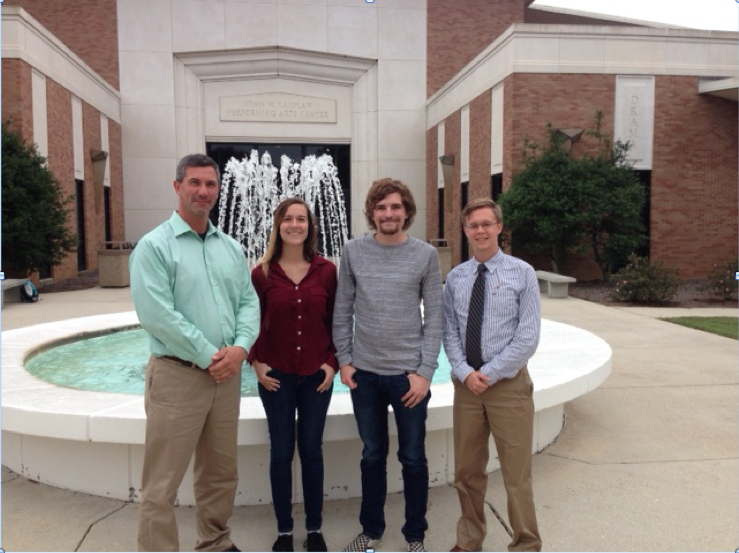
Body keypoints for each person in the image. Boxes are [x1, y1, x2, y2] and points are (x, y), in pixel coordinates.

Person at [130, 153, 260, 552]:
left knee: (220, 473)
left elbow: (248, 302)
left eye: (210, 184)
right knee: (162, 482)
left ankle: (216, 542)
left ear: (218, 191)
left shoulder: (231, 248)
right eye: (194, 183)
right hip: (178, 377)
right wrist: (210, 356)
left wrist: (239, 349)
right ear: (177, 187)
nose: (203, 191)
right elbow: (157, 315)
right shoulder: (154, 247)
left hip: (226, 377)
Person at [332, 178, 444, 553]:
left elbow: (436, 318)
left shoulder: (425, 254)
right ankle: (372, 531)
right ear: (372, 213)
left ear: (407, 211)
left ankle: (415, 536)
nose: (388, 214)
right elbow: (342, 309)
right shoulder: (353, 251)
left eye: (395, 207)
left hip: (408, 378)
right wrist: (345, 362)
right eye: (381, 208)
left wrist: (425, 372)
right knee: (372, 456)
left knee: (413, 458)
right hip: (364, 376)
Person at [443, 198, 542, 552]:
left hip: (508, 387)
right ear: (466, 231)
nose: (480, 231)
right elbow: (450, 332)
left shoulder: (522, 273)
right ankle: (469, 541)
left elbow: (528, 336)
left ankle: (526, 543)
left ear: (499, 227)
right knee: (466, 473)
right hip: (467, 388)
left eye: (487, 224)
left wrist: (490, 373)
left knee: (516, 475)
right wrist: (465, 372)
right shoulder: (456, 277)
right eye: (473, 225)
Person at [248, 198, 338, 553]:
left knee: (312, 451)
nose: (295, 224)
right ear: (278, 225)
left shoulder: (327, 271)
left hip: (317, 376)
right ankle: (284, 531)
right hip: (277, 377)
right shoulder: (262, 273)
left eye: (301, 219)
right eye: (288, 219)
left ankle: (314, 529)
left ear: (309, 226)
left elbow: (338, 320)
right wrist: (255, 362)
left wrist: (332, 362)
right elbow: (247, 322)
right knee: (282, 451)